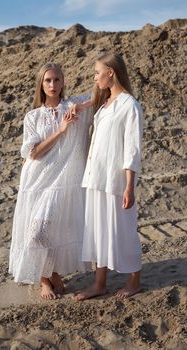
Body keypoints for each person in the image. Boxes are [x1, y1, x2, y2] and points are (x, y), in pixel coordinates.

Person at [9, 63, 92, 300]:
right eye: (48, 81)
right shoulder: (33, 116)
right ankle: (45, 279)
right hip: (37, 180)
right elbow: (33, 153)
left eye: (57, 80)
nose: (53, 85)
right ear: (41, 84)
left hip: (64, 180)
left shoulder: (73, 106)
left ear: (63, 82)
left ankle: (54, 272)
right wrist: (61, 129)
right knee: (36, 233)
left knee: (55, 228)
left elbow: (100, 96)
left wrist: (81, 105)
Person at [71, 52, 143, 301]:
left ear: (110, 72)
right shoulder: (104, 105)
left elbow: (132, 149)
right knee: (97, 231)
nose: (94, 77)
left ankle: (134, 281)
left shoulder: (130, 105)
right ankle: (99, 283)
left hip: (115, 182)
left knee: (124, 230)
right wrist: (81, 106)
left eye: (97, 72)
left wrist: (129, 186)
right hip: (94, 177)